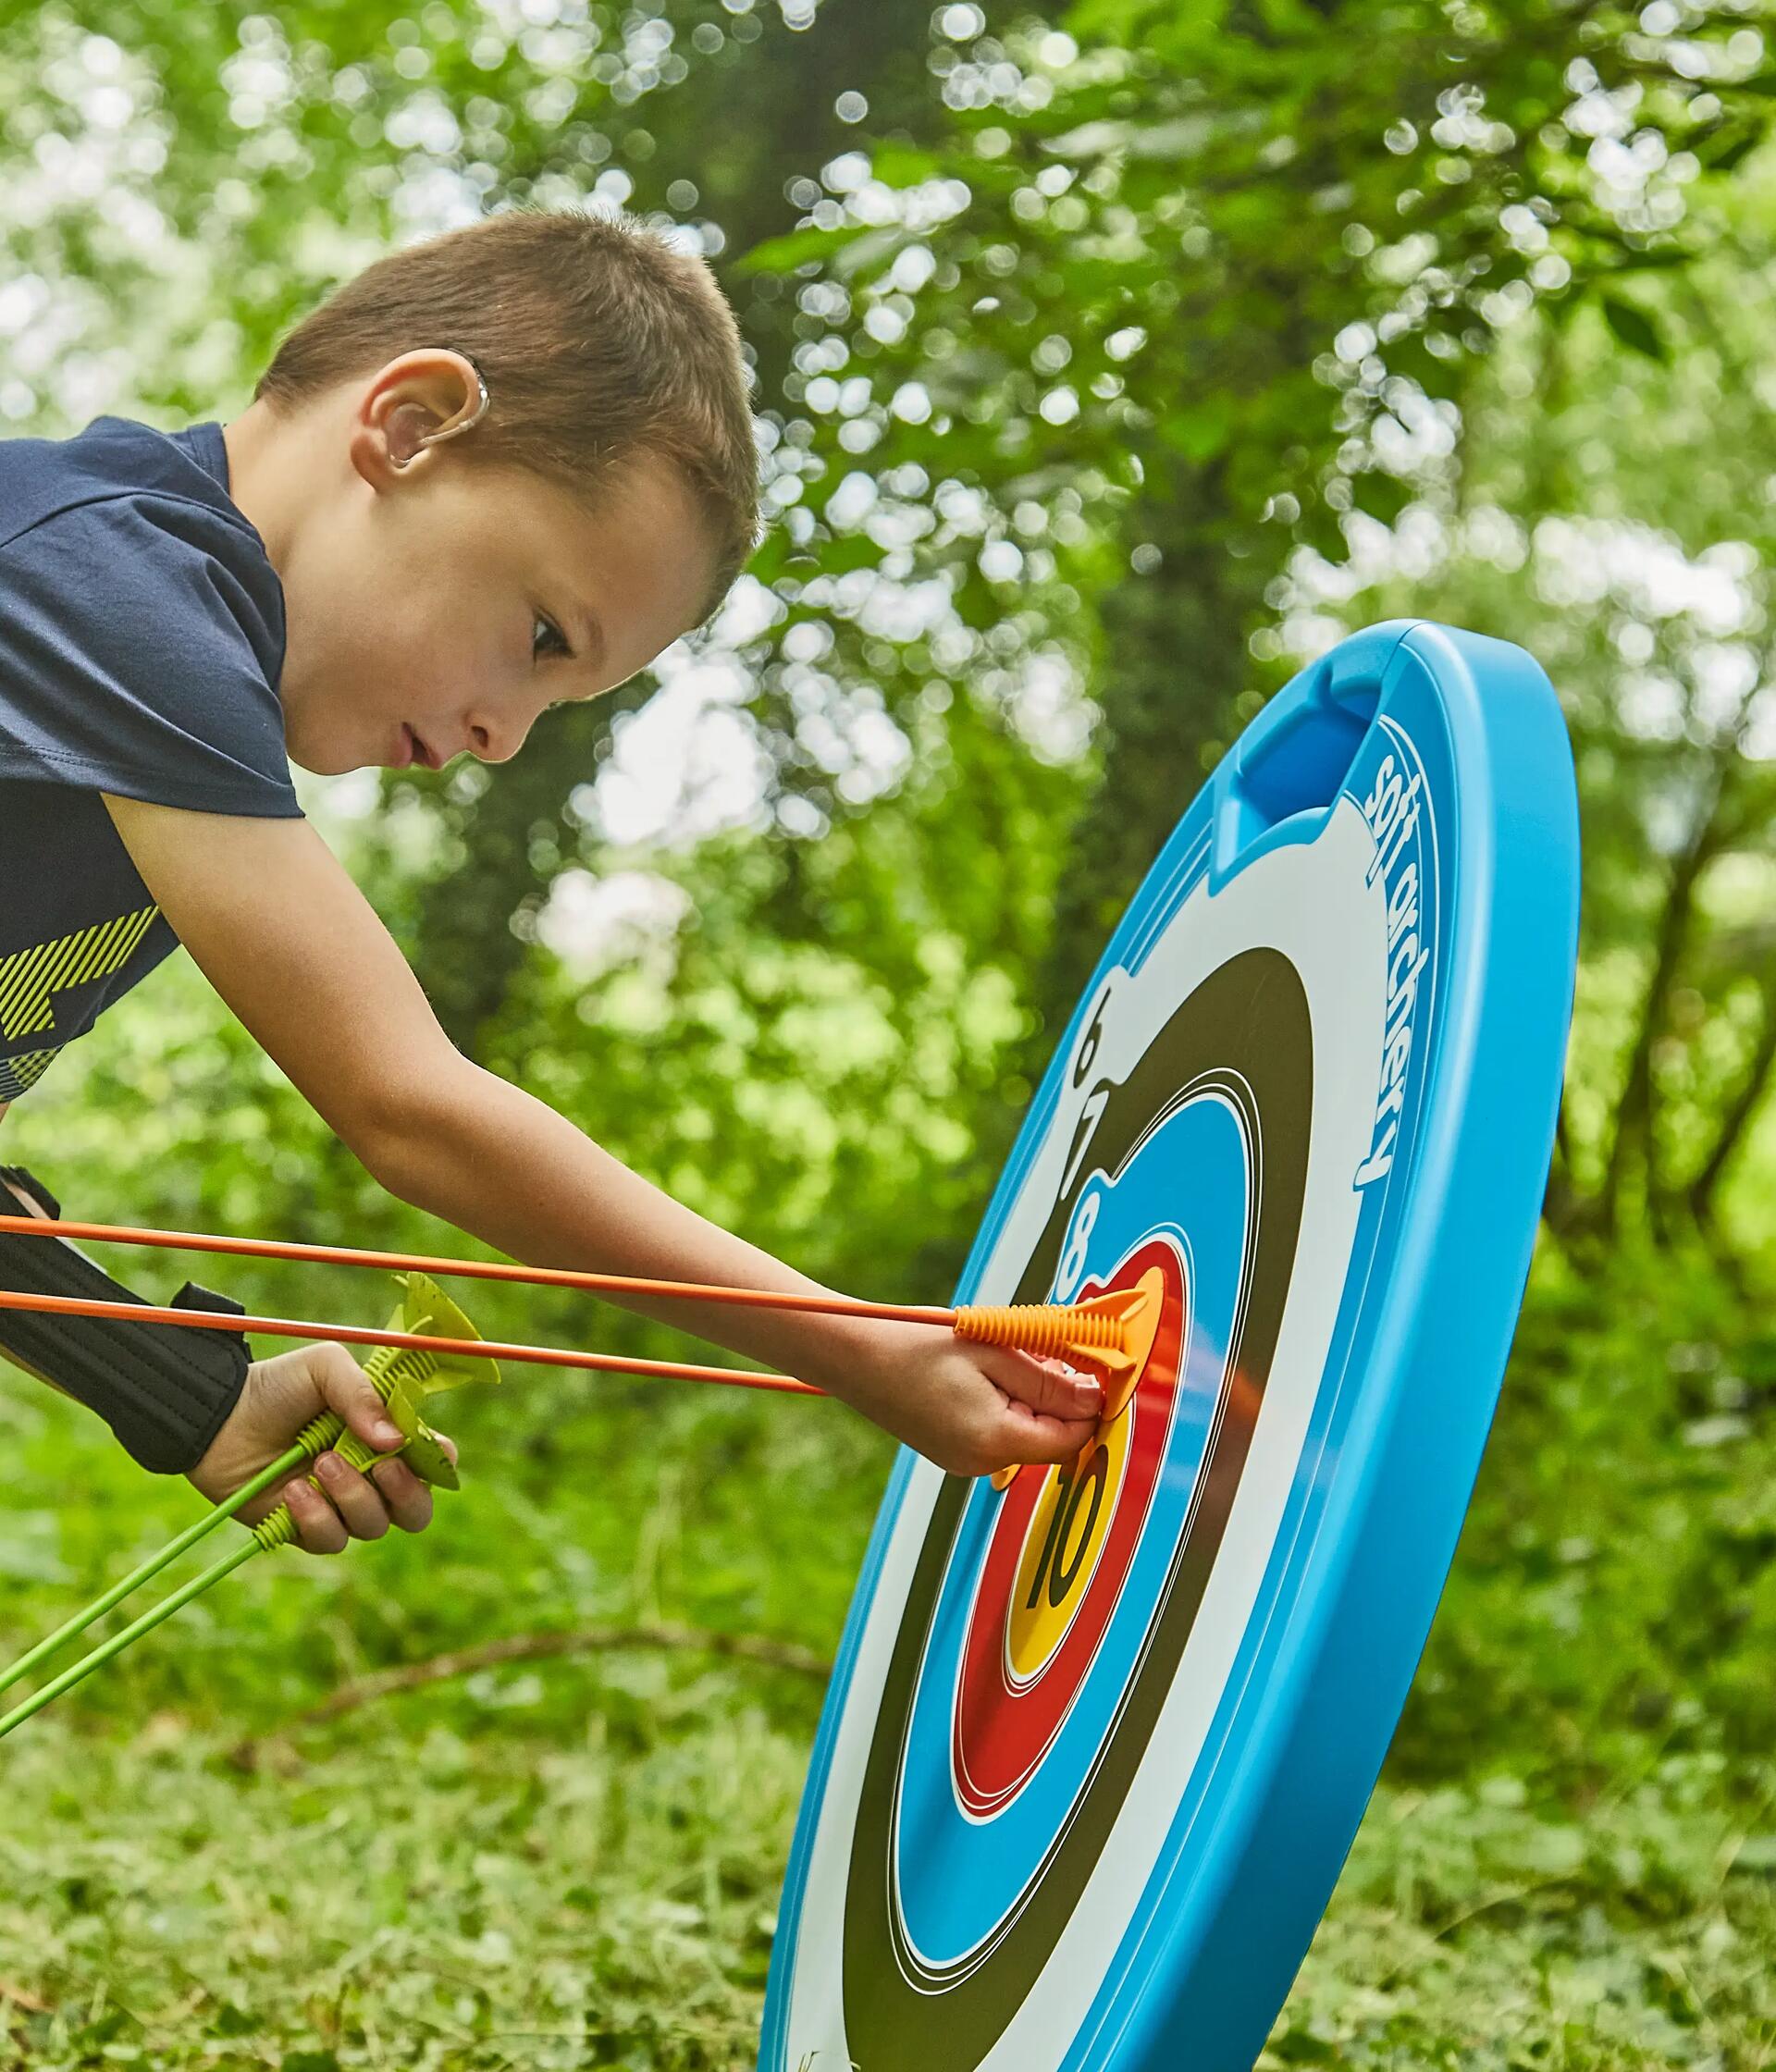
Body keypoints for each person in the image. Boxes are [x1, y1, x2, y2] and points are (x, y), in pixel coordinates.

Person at [0, 204, 1102, 1556]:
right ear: (408, 427)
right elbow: (411, 1108)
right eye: (539, 635)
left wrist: (189, 1394)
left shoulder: (129, 681)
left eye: (560, 697)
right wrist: (866, 1350)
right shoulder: (109, 585)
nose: (501, 736)